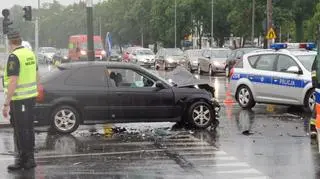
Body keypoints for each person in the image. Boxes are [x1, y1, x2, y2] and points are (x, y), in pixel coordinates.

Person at [2, 31, 39, 171]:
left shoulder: (14, 56)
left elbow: (13, 81)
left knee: (20, 130)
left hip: (20, 99)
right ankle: (29, 159)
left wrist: (6, 103)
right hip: (30, 98)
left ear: (10, 42)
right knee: (28, 128)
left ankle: (24, 160)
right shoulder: (30, 53)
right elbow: (36, 75)